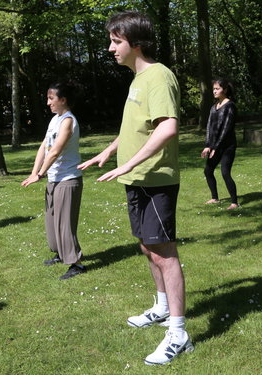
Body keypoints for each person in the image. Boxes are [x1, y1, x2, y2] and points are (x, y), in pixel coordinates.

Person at [78, 11, 193, 365]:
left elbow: (167, 127)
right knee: (147, 247)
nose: (110, 48)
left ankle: (179, 331)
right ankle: (161, 307)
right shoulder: (137, 79)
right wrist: (110, 151)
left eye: (116, 41)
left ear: (135, 44)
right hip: (137, 180)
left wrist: (129, 163)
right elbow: (137, 127)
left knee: (164, 252)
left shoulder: (158, 77)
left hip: (155, 180)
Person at [21, 82, 85, 280]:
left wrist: (39, 174)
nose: (48, 102)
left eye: (51, 98)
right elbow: (44, 147)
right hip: (54, 178)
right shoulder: (54, 120)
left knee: (65, 223)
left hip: (68, 178)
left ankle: (76, 263)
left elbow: (56, 151)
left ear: (63, 100)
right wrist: (35, 172)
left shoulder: (68, 121)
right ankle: (60, 254)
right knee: (52, 220)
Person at [201, 78, 239, 210]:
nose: (214, 91)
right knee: (208, 171)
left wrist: (216, 147)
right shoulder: (214, 107)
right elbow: (209, 127)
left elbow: (226, 129)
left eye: (217, 88)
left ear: (225, 90)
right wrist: (208, 145)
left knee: (225, 172)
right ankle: (215, 198)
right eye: (213, 89)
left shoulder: (230, 106)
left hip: (227, 146)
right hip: (214, 146)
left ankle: (234, 202)